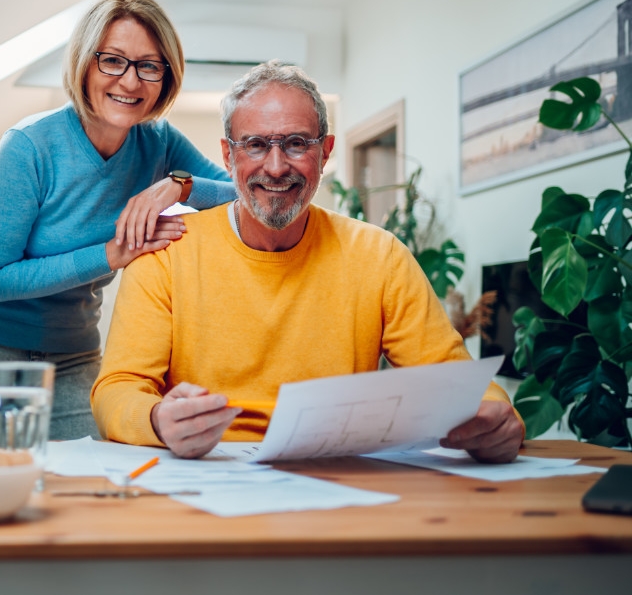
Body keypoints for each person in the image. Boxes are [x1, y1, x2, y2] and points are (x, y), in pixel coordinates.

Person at [90, 60, 525, 463]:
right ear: (228, 155)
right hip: (202, 474)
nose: (276, 167)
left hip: (337, 477)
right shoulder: (167, 253)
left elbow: (453, 378)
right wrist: (157, 420)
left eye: (297, 143)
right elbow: (117, 390)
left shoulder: (379, 255)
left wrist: (497, 416)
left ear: (326, 150)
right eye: (256, 145)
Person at [0, 0, 236, 441]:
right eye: (112, 60)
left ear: (165, 77)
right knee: (2, 491)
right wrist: (111, 255)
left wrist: (182, 183)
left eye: (149, 66)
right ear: (84, 63)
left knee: (96, 478)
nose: (130, 82)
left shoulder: (159, 142)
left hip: (73, 356)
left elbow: (245, 195)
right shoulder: (29, 145)